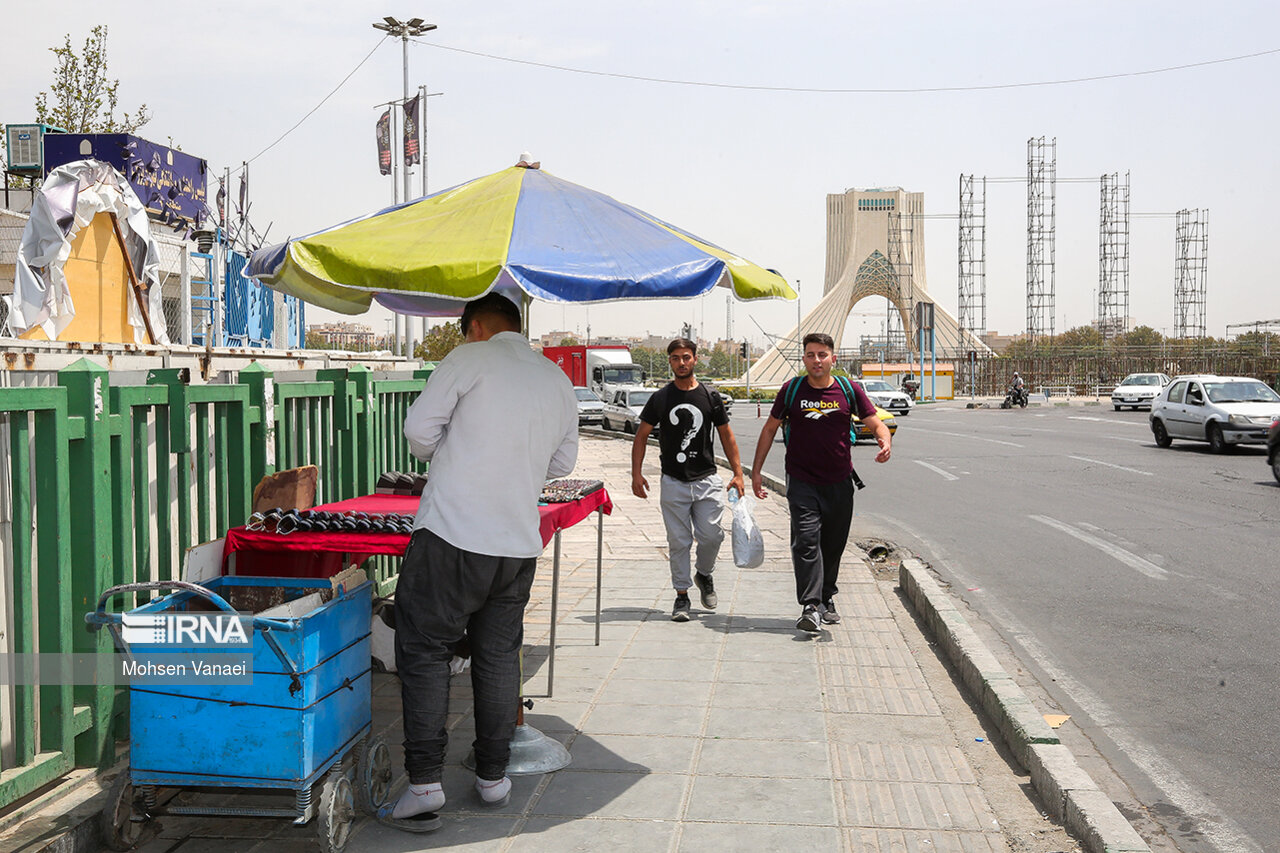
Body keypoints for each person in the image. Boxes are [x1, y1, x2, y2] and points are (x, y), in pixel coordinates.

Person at [384, 292, 578, 832]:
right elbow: (562, 463)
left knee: (424, 651)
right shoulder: (555, 378)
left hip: (451, 533)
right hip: (516, 542)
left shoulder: (468, 358)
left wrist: (458, 451)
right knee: (497, 655)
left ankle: (424, 783)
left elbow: (418, 435)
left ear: (473, 327)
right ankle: (493, 777)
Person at [750, 333, 891, 634]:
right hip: (801, 480)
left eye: (822, 355)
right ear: (804, 359)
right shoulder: (792, 390)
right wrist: (756, 471)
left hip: (840, 481)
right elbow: (769, 429)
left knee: (833, 546)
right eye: (811, 355)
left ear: (832, 358)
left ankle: (827, 597)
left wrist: (885, 441)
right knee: (806, 541)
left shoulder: (847, 389)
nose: (817, 360)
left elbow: (875, 422)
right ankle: (811, 605)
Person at [631, 338, 745, 622]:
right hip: (673, 482)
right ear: (669, 362)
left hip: (707, 480)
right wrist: (636, 473)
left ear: (695, 359)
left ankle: (704, 574)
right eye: (675, 358)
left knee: (712, 535)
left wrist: (739, 473)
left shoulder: (710, 396)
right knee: (679, 541)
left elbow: (726, 435)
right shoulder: (660, 398)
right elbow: (641, 435)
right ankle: (681, 596)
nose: (681, 363)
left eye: (686, 357)